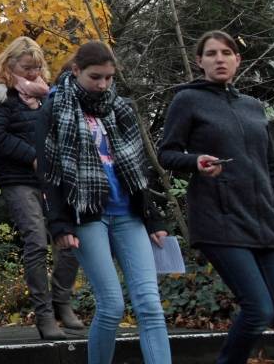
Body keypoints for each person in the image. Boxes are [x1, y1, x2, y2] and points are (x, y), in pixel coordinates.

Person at [39, 41, 171, 364]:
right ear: (76, 71)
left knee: (150, 305)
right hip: (86, 216)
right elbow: (48, 170)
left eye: (109, 78)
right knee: (111, 305)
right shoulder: (55, 107)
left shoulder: (120, 107)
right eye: (95, 77)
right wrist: (59, 223)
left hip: (128, 213)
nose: (103, 85)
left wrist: (152, 217)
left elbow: (139, 166)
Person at [159, 30, 274, 364]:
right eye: (211, 53)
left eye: (226, 53)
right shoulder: (188, 100)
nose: (220, 59)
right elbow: (167, 153)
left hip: (265, 222)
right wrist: (195, 162)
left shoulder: (253, 107)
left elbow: (269, 169)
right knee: (259, 310)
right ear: (199, 61)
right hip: (219, 220)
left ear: (237, 60)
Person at [0, 35, 81, 340]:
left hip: (54, 179)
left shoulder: (48, 95)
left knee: (71, 238)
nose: (33, 73)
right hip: (19, 179)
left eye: (37, 67)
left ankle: (62, 300)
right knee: (35, 241)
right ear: (10, 64)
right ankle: (44, 313)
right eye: (26, 67)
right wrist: (32, 157)